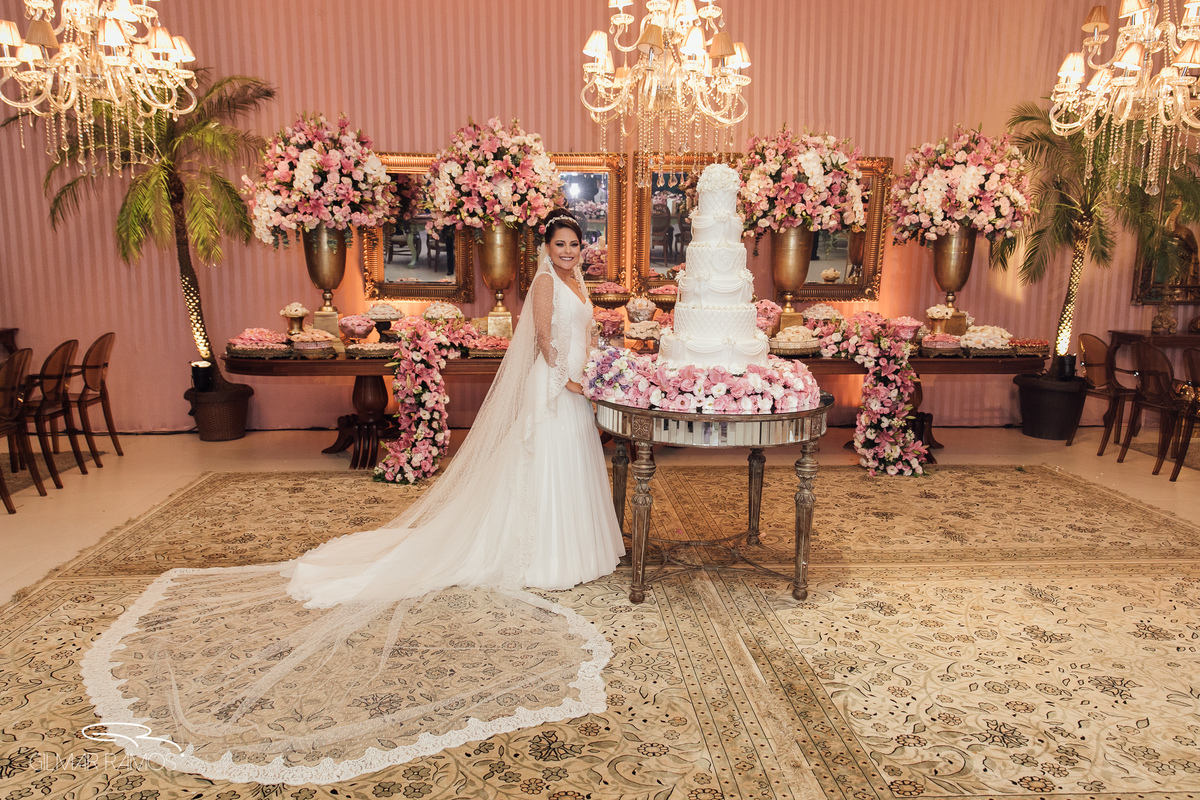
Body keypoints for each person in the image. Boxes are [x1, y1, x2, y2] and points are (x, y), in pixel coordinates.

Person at [80, 210, 626, 786]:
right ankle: (537, 550)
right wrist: (570, 379)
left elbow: (584, 334)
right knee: (544, 466)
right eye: (560, 243)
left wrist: (594, 369)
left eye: (574, 244)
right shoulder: (543, 284)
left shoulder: (579, 281)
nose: (568, 251)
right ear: (546, 247)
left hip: (577, 389)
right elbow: (542, 341)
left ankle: (573, 544)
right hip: (554, 390)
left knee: (574, 463)